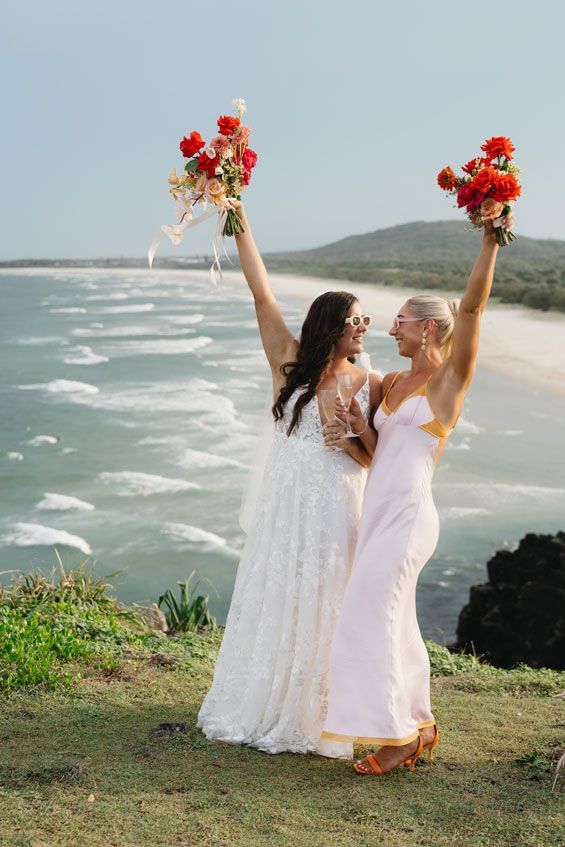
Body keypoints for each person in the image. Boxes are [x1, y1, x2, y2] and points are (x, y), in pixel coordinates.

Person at [321, 213, 515, 774]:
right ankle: (418, 722)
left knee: (366, 613)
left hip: (408, 517)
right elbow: (380, 456)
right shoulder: (391, 383)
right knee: (395, 619)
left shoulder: (446, 385)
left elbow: (473, 310)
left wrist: (489, 240)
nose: (390, 330)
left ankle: (396, 736)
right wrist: (354, 427)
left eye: (401, 321)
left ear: (429, 328)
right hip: (377, 510)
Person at [197, 199, 382, 757]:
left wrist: (353, 431)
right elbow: (262, 292)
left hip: (338, 504)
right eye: (356, 320)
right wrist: (237, 213)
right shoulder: (288, 361)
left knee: (330, 599)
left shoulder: (368, 380)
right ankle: (267, 698)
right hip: (288, 505)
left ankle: (325, 709)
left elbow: (370, 460)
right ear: (331, 325)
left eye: (367, 321)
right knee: (282, 594)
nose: (364, 328)